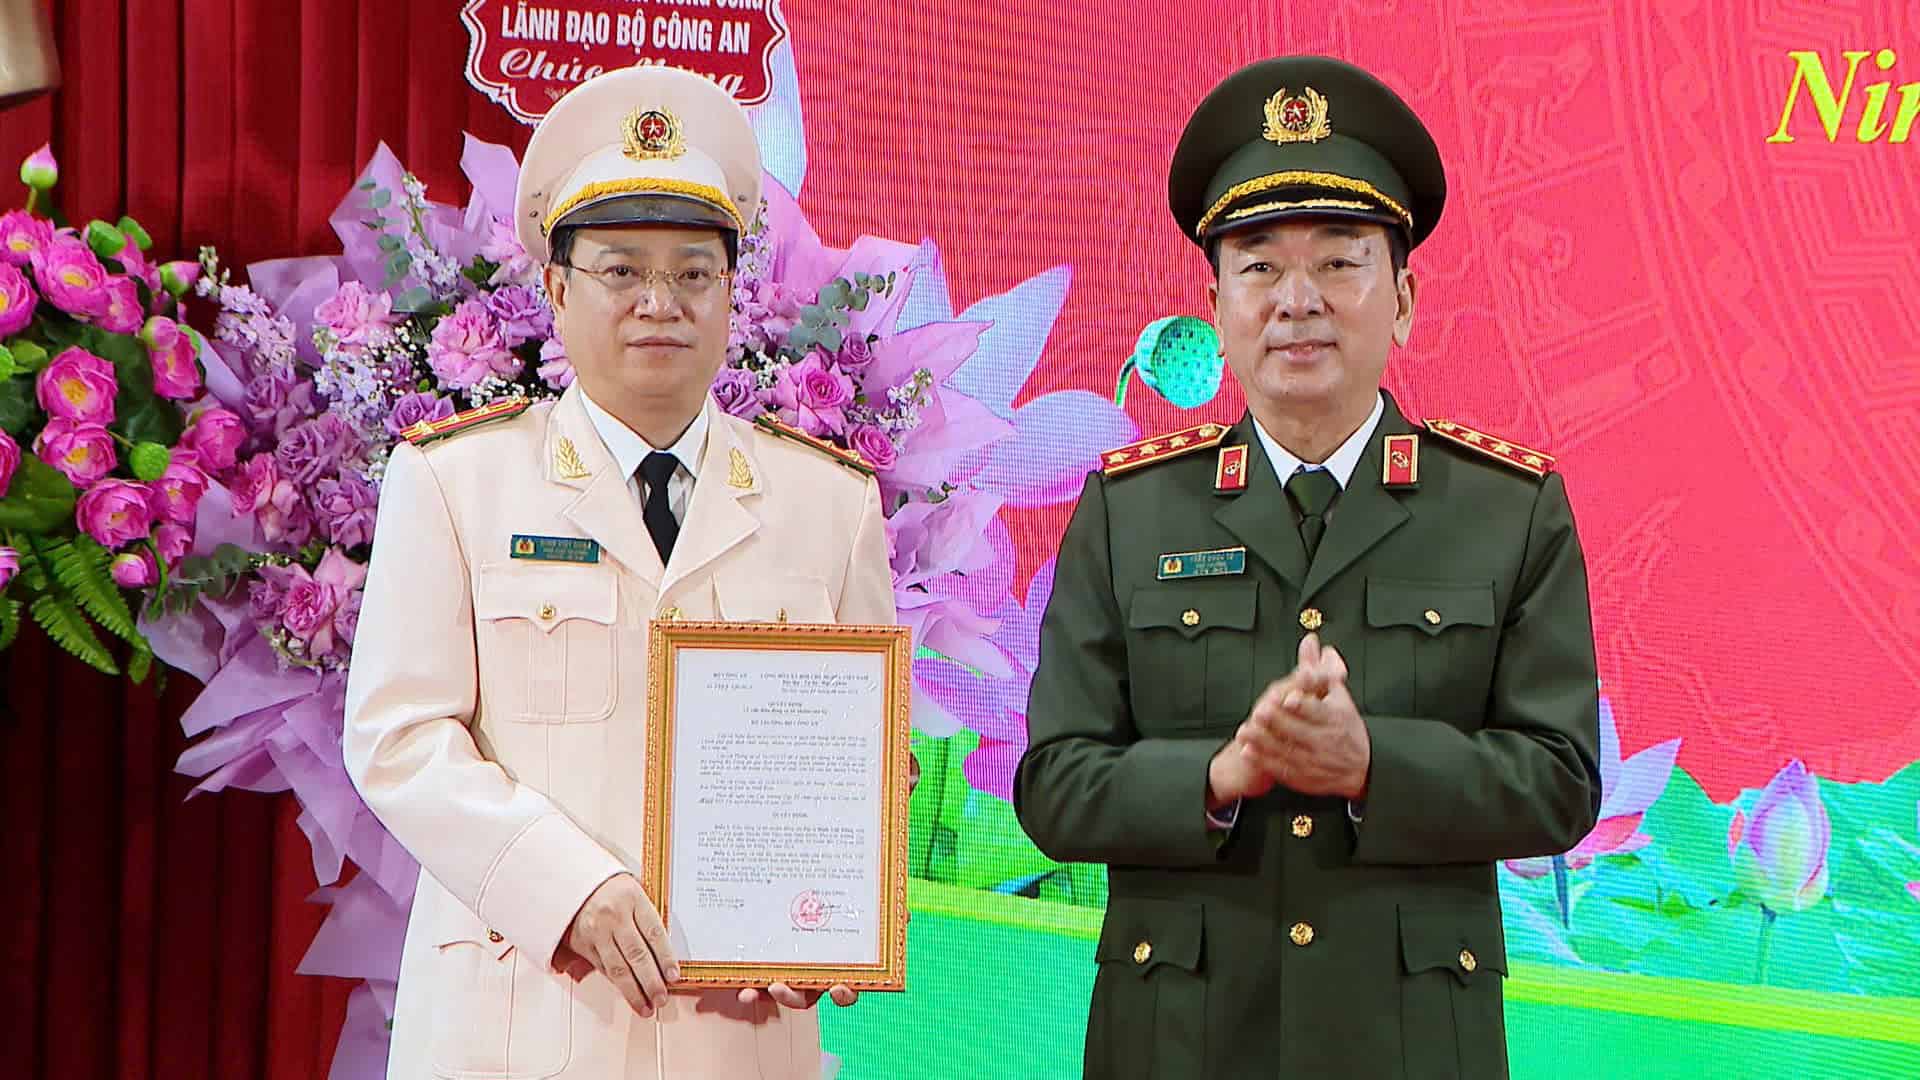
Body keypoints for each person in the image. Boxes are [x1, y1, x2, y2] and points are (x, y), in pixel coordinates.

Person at [1013, 55, 1603, 1079]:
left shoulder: (1507, 509)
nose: (1298, 301)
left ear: (1405, 300)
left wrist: (1374, 765)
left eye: (1340, 261)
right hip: (1181, 1042)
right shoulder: (1129, 508)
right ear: (1217, 303)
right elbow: (1056, 786)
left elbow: (1561, 782)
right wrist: (1218, 775)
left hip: (1410, 1042)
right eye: (1259, 264)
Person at [343, 66, 898, 1079]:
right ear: (557, 289)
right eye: (620, 270)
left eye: (694, 272)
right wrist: (565, 889)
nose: (660, 304)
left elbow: (859, 747)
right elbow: (397, 739)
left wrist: (840, 892)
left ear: (735, 294)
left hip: (737, 1035)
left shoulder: (830, 505)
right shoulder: (456, 482)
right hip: (521, 1015)